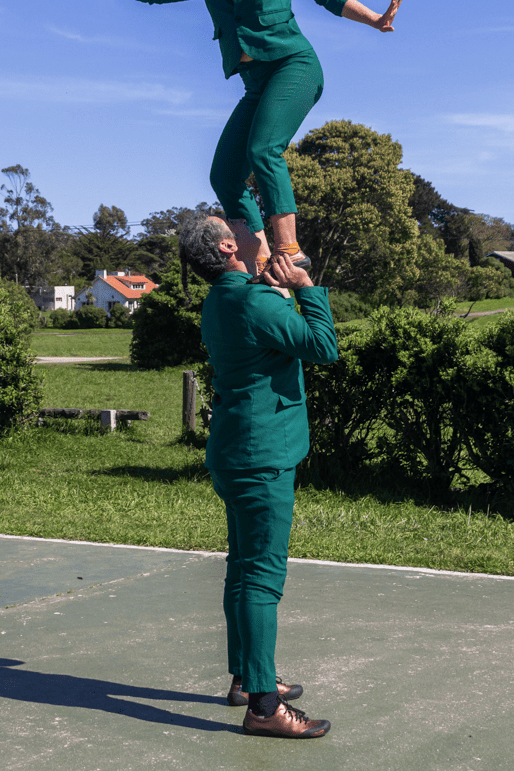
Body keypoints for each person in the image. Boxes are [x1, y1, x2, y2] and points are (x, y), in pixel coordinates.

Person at [88, 0, 403, 279]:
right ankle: (257, 257)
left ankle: (290, 249)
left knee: (263, 149)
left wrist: (373, 19)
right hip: (255, 83)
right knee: (224, 175)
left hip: (293, 67)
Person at [178, 212, 338, 738]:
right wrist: (306, 285)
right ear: (228, 247)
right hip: (262, 454)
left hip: (234, 449)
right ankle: (265, 708)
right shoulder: (253, 299)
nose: (260, 229)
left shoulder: (226, 297)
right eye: (245, 227)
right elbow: (323, 347)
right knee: (261, 579)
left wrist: (271, 284)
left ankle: (248, 680)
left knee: (242, 568)